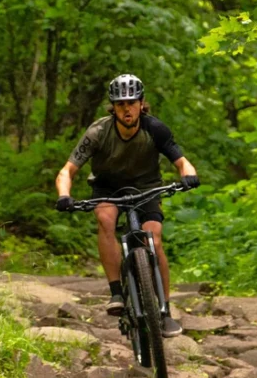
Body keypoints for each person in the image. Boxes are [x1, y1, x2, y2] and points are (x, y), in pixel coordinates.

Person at [54, 74, 197, 338]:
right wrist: (64, 195)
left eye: (132, 103)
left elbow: (181, 161)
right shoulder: (98, 132)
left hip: (147, 187)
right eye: (121, 104)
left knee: (154, 236)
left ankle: (164, 311)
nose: (127, 109)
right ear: (113, 107)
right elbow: (67, 170)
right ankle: (116, 292)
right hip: (108, 187)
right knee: (106, 220)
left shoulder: (155, 129)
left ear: (142, 104)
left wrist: (188, 175)